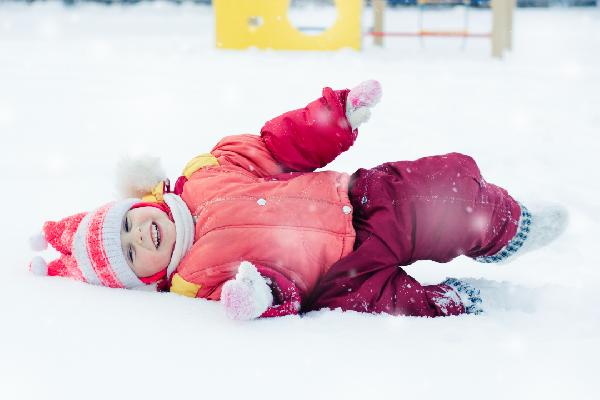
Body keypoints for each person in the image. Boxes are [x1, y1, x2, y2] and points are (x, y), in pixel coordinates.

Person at [28, 80, 568, 320]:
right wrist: (259, 296)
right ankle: (463, 304)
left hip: (357, 202)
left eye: (127, 224)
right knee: (402, 308)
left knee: (442, 193)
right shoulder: (194, 280)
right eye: (130, 252)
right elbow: (274, 286)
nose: (137, 235)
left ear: (140, 203)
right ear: (145, 278)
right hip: (340, 278)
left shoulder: (205, 175)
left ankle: (508, 230)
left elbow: (276, 147)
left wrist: (334, 116)